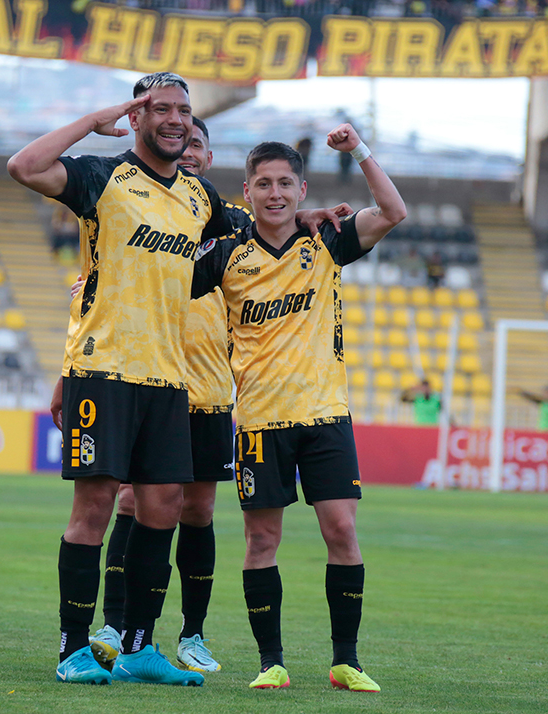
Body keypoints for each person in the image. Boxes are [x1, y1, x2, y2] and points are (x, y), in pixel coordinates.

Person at [74, 118, 351, 675]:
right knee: (130, 503)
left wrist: (301, 216)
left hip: (212, 389)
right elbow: (100, 292)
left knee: (198, 510)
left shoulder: (224, 221)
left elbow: (276, 227)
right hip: (147, 378)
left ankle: (192, 635)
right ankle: (118, 624)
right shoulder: (133, 208)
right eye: (185, 143)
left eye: (200, 145)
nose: (192, 153)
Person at [8, 71, 236, 687]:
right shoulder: (100, 176)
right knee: (95, 510)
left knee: (162, 508)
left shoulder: (198, 197)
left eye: (183, 110)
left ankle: (138, 646)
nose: (174, 119)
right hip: (104, 372)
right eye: (158, 108)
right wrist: (92, 121)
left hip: (169, 379)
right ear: (136, 117)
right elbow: (25, 166)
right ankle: (72, 648)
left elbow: (250, 234)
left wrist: (307, 215)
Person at [191, 126, 407, 692]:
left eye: (285, 182)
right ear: (247, 192)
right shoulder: (226, 257)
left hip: (326, 416)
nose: (275, 193)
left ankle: (347, 661)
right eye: (263, 183)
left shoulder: (328, 240)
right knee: (262, 541)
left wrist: (358, 151)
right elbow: (165, 281)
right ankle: (271, 662)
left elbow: (392, 209)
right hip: (261, 422)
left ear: (301, 187)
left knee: (341, 531)